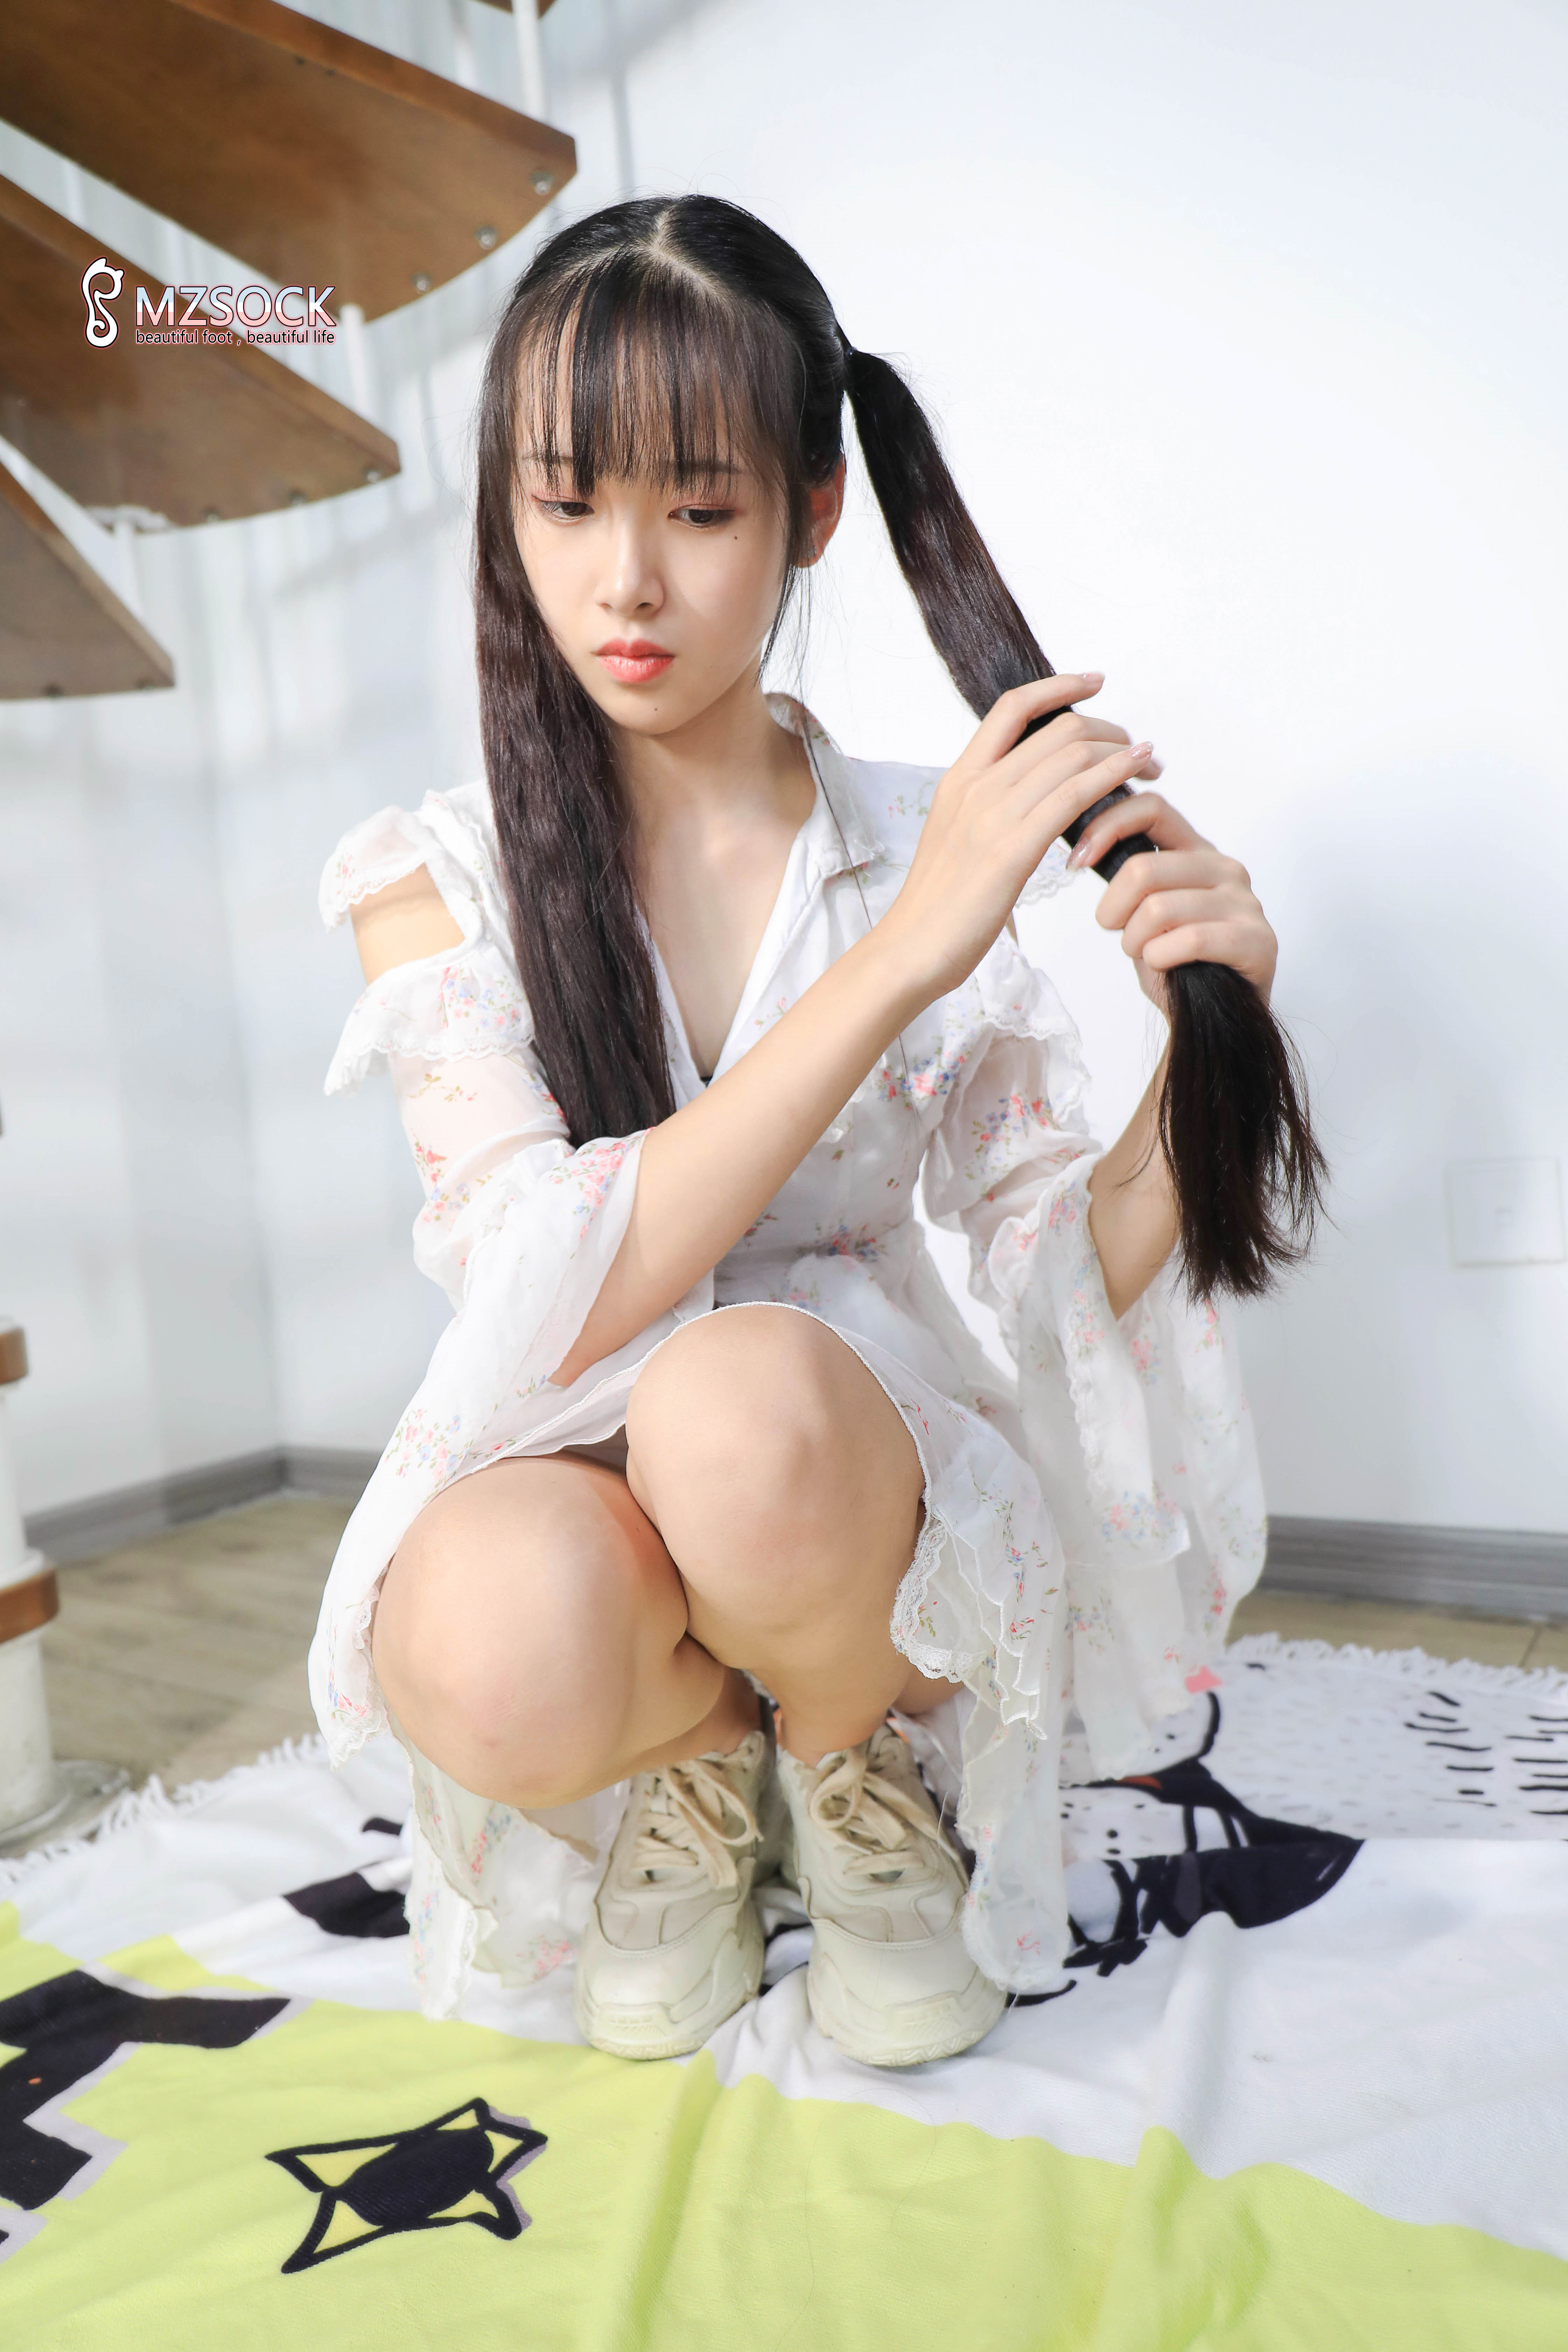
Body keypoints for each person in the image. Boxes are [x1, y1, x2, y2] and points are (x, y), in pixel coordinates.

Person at [308, 195, 1272, 2070]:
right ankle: (709, 1762)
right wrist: (905, 957)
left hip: (844, 1491)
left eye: (697, 508)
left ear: (813, 512)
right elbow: (539, 1285)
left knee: (738, 1402)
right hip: (584, 1467)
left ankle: (847, 1754)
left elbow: (1048, 1271)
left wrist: (1201, 1050)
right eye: (564, 503)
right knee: (480, 1637)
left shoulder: (924, 841)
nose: (624, 583)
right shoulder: (437, 878)